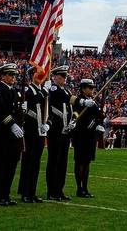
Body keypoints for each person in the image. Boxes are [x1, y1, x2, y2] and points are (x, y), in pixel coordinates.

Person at [0, 63, 24, 206]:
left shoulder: (15, 92)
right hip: (2, 133)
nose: (13, 77)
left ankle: (6, 194)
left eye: (14, 75)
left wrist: (22, 111)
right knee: (0, 165)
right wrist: (12, 124)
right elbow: (1, 111)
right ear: (3, 75)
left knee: (11, 165)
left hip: (12, 136)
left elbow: (16, 111)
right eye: (10, 74)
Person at [69, 78, 104, 198]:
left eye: (93, 88)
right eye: (90, 88)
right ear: (83, 88)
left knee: (87, 162)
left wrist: (99, 124)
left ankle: (85, 187)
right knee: (80, 162)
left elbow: (99, 116)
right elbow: (75, 114)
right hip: (80, 135)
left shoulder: (93, 102)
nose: (92, 90)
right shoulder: (78, 100)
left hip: (90, 136)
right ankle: (79, 188)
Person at [17, 72, 48, 203]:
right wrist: (45, 90)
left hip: (40, 131)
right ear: (32, 76)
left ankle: (32, 191)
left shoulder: (42, 92)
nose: (40, 77)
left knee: (36, 163)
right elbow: (36, 99)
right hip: (30, 130)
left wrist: (48, 124)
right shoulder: (28, 90)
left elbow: (47, 108)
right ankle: (25, 192)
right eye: (38, 75)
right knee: (27, 162)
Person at [44, 65, 72, 201]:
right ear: (55, 77)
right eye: (61, 77)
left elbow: (70, 106)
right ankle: (52, 190)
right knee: (54, 162)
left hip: (65, 131)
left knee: (62, 163)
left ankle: (59, 189)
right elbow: (66, 100)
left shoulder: (65, 91)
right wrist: (82, 101)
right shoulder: (54, 89)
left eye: (64, 77)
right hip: (55, 130)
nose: (64, 79)